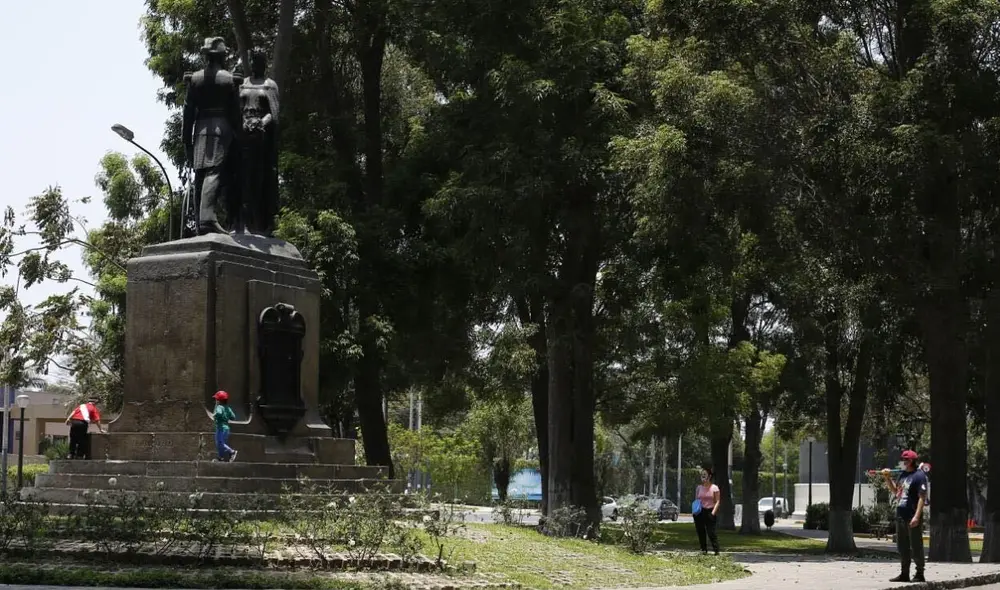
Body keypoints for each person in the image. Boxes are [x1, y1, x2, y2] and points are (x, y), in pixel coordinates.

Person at [183, 37, 243, 235]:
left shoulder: (194, 79)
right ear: (222, 56)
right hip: (221, 128)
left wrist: (186, 139)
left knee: (200, 173)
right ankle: (207, 218)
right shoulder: (229, 79)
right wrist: (239, 133)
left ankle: (201, 222)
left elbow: (188, 111)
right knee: (214, 172)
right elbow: (235, 111)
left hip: (200, 129)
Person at [882, 450, 928, 583]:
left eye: (906, 459)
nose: (904, 461)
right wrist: (887, 478)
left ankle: (919, 573)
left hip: (912, 515)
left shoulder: (919, 475)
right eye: (903, 459)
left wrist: (917, 516)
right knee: (902, 546)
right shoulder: (902, 475)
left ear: (912, 461)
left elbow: (922, 497)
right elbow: (896, 491)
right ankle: (904, 573)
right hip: (901, 515)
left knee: (916, 545)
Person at [694, 466, 721, 555]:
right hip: (700, 512)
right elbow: (696, 500)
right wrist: (695, 512)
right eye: (702, 475)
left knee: (711, 532)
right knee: (700, 531)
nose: (703, 476)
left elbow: (717, 501)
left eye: (705, 474)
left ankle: (716, 550)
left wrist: (713, 513)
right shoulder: (699, 488)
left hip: (710, 511)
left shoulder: (714, 488)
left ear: (709, 476)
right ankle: (703, 550)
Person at [212, 391, 237, 462]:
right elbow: (233, 417)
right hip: (227, 429)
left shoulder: (219, 407)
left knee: (220, 443)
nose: (216, 400)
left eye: (216, 399)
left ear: (219, 400)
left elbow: (219, 413)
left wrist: (215, 415)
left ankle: (232, 452)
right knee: (222, 443)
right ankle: (221, 458)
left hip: (221, 428)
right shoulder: (228, 408)